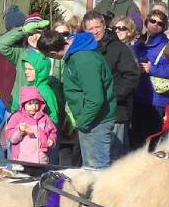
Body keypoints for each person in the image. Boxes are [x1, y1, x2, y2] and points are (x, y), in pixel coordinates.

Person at [39, 29, 116, 169]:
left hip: (96, 121)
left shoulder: (83, 60)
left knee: (97, 169)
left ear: (53, 53)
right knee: (89, 168)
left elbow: (95, 99)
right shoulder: (75, 55)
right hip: (90, 119)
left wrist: (82, 122)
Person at [85, 11, 141, 161]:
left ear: (104, 26)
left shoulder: (119, 48)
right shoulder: (85, 50)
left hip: (116, 112)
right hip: (92, 113)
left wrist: (112, 96)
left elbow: (132, 76)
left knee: (116, 161)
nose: (95, 31)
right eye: (91, 29)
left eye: (98, 27)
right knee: (95, 160)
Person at [131, 10, 169, 148]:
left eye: (160, 23)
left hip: (156, 99)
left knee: (152, 142)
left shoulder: (166, 46)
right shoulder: (138, 44)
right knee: (137, 141)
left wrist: (152, 69)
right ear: (146, 22)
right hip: (138, 96)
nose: (156, 25)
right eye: (153, 21)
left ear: (164, 27)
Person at [3, 86, 58, 167]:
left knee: (40, 179)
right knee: (24, 179)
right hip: (22, 162)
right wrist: (20, 130)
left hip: (41, 161)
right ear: (23, 104)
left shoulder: (45, 118)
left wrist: (51, 140)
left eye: (36, 103)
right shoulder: (17, 117)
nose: (34, 107)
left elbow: (53, 131)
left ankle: (60, 181)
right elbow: (12, 139)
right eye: (30, 104)